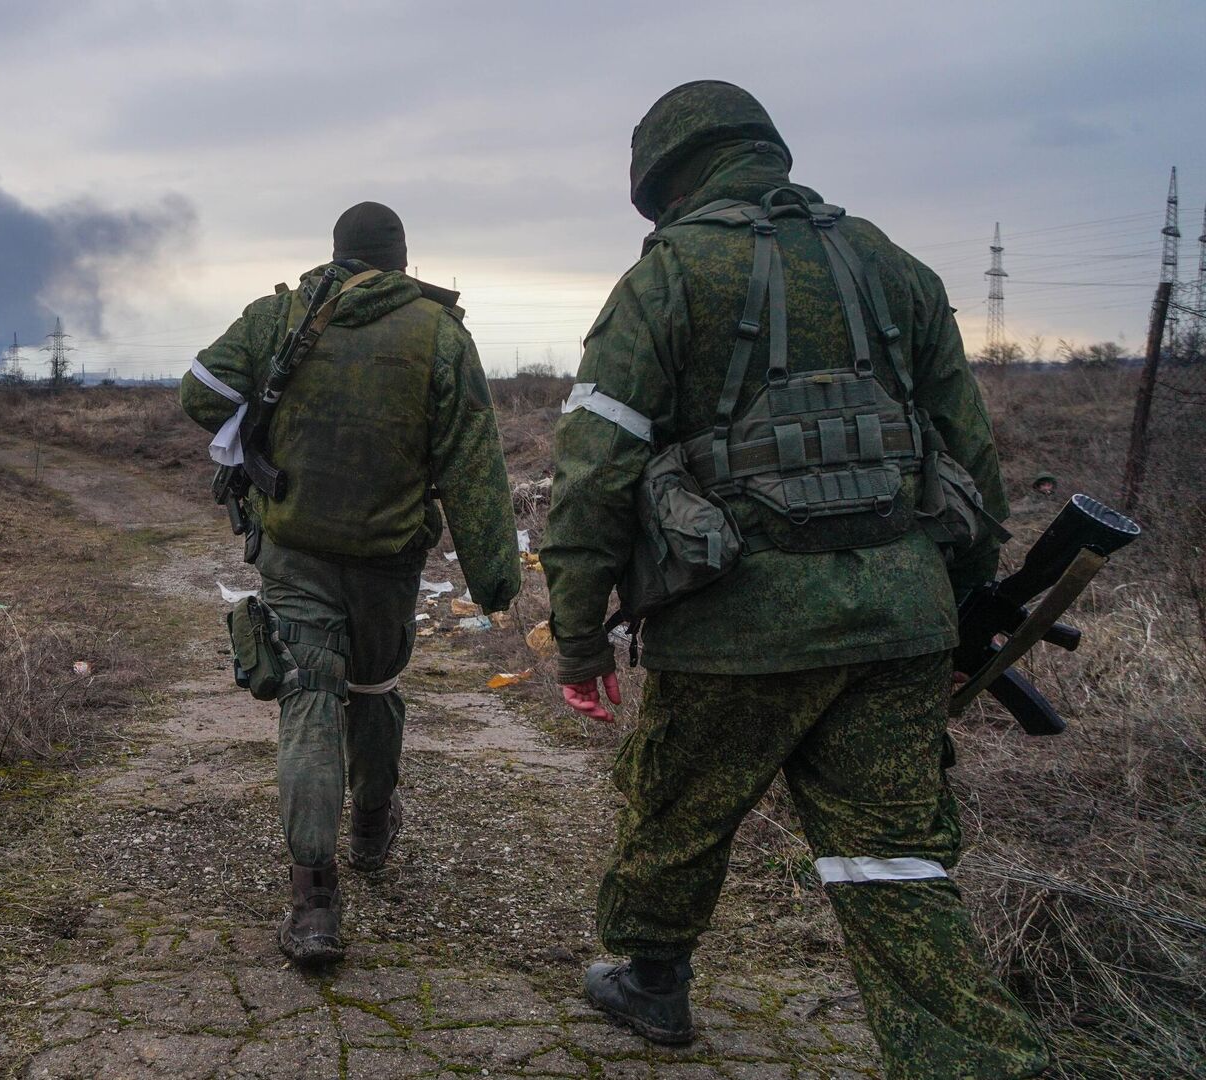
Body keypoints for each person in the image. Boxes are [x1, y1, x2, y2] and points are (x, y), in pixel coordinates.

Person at [540, 81, 1052, 1077]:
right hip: (900, 616)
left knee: (676, 810)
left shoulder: (667, 279)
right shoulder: (890, 265)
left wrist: (577, 638)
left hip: (736, 627)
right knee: (895, 859)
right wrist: (960, 610)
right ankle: (974, 1058)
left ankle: (652, 982)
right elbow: (972, 458)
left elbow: (592, 475)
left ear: (662, 179)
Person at [180, 201, 520, 964]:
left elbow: (198, 393)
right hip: (386, 564)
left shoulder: (281, 315)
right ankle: (371, 830)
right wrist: (495, 581)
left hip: (294, 552)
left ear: (334, 253)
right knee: (373, 692)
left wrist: (267, 418)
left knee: (306, 699)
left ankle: (313, 909)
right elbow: (474, 468)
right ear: (403, 260)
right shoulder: (440, 334)